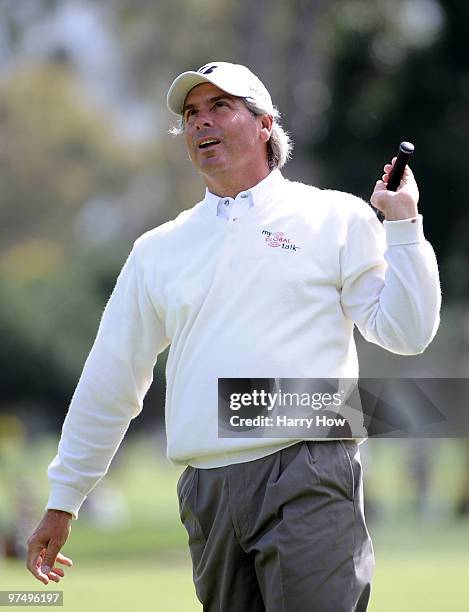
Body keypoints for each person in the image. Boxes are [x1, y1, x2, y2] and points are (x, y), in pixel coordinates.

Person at [27, 61, 441, 611]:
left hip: (309, 467)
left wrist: (404, 225)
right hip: (207, 490)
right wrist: (65, 499)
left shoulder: (336, 217)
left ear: (265, 124)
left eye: (220, 107)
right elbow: (111, 377)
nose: (201, 123)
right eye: (191, 114)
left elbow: (408, 332)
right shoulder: (158, 249)